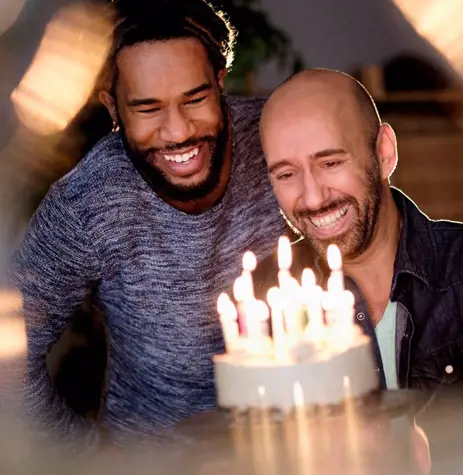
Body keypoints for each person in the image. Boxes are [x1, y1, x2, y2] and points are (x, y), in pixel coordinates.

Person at [9, 0, 285, 447]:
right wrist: (87, 459)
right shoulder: (88, 202)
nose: (177, 131)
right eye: (148, 108)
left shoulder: (282, 139)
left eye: (195, 99)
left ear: (220, 83)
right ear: (113, 109)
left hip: (300, 451)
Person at [254, 69, 463, 392]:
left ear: (384, 153)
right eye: (286, 174)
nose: (313, 197)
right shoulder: (264, 297)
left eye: (331, 163)